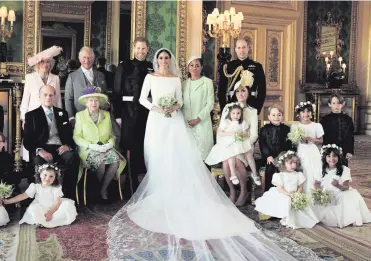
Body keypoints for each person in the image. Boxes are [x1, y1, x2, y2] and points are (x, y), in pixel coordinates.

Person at [106, 48, 321, 261]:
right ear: (157, 60)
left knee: (176, 155)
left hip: (175, 121)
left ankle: (183, 190)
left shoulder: (176, 79)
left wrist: (174, 107)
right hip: (157, 120)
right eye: (161, 58)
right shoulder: (151, 76)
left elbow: (180, 100)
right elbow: (143, 99)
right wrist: (159, 109)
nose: (163, 60)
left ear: (170, 60)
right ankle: (160, 188)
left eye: (166, 58)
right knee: (156, 155)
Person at [113, 37, 154, 198]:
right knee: (130, 148)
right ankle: (131, 186)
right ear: (133, 48)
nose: (141, 51)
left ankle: (145, 184)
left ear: (148, 49)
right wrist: (117, 115)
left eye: (143, 49)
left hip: (146, 113)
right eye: (138, 48)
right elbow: (116, 92)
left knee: (144, 147)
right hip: (128, 112)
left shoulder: (152, 66)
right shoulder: (124, 66)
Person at [23, 85, 79, 201]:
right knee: (38, 161)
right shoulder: (31, 115)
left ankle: (67, 196)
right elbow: (27, 140)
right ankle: (41, 198)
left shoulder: (63, 113)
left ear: (54, 97)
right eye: (45, 94)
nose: (48, 97)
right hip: (43, 149)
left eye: (51, 95)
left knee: (73, 157)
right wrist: (40, 151)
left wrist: (67, 146)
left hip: (60, 149)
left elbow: (69, 136)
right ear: (39, 97)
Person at [73, 88, 126, 204]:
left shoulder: (106, 114)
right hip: (88, 149)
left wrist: (110, 143)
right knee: (101, 163)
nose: (93, 103)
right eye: (91, 101)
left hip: (105, 148)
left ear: (99, 103)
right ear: (87, 103)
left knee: (116, 161)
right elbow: (76, 137)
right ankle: (95, 191)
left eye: (96, 101)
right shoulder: (80, 116)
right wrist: (92, 146)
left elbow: (112, 134)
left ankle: (102, 190)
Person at [221, 70, 260, 206]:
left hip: (245, 148)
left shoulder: (252, 111)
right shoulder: (228, 108)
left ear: (248, 93)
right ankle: (232, 191)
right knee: (226, 161)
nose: (240, 94)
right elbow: (222, 128)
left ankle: (244, 191)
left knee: (237, 160)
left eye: (243, 91)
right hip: (230, 144)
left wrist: (244, 145)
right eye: (237, 92)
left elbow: (254, 134)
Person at [255, 151, 319, 229]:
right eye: (290, 163)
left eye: (295, 163)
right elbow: (281, 189)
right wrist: (289, 195)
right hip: (284, 193)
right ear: (283, 164)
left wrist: (297, 194)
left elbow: (300, 187)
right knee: (287, 200)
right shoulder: (279, 175)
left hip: (295, 193)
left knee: (304, 202)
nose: (294, 165)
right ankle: (286, 217)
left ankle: (298, 218)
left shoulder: (298, 174)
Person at [205, 103, 259, 195]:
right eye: (233, 113)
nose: (236, 116)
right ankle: (233, 176)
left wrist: (240, 134)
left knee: (249, 153)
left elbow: (246, 133)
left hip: (240, 141)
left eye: (238, 113)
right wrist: (232, 134)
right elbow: (220, 133)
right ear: (230, 114)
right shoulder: (226, 122)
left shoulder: (243, 123)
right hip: (229, 143)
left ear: (241, 114)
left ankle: (255, 174)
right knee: (230, 154)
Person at [312, 144, 371, 228]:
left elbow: (346, 187)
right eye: (329, 156)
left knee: (347, 196)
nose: (331, 159)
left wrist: (338, 185)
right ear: (325, 158)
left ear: (339, 157)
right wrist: (319, 194)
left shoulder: (344, 169)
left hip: (339, 193)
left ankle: (346, 216)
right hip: (325, 194)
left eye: (334, 156)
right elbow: (317, 183)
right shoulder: (321, 169)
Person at [21, 45, 63, 162]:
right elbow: (25, 100)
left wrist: (60, 116)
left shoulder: (55, 78)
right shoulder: (30, 77)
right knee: (34, 142)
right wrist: (24, 118)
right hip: (33, 116)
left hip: (51, 114)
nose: (45, 65)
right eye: (43, 62)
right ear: (38, 64)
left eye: (48, 62)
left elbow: (58, 98)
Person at [4, 163, 77, 228]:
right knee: (34, 208)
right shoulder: (35, 186)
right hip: (40, 207)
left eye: (51, 176)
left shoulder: (56, 187)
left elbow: (57, 202)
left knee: (67, 205)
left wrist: (50, 212)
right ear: (40, 175)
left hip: (54, 208)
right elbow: (23, 195)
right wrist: (8, 201)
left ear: (55, 178)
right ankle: (41, 221)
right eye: (45, 175)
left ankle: (48, 220)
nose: (47, 178)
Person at [218, 39, 266, 114]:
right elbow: (221, 90)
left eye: (244, 47)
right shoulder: (228, 67)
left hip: (251, 104)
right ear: (235, 49)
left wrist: (257, 108)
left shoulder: (257, 66)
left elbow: (262, 90)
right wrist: (224, 109)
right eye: (239, 48)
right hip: (232, 105)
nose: (241, 50)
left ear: (248, 48)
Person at [182, 56, 214, 160]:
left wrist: (198, 118)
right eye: (191, 65)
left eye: (197, 66)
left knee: (202, 156)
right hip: (187, 123)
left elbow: (210, 104)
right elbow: (181, 104)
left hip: (202, 122)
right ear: (188, 67)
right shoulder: (184, 84)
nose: (194, 68)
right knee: (188, 156)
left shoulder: (207, 82)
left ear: (201, 67)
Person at [65, 47, 107, 123]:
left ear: (93, 59)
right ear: (79, 58)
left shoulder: (101, 75)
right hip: (80, 119)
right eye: (84, 57)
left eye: (90, 57)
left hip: (100, 118)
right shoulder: (72, 76)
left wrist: (106, 105)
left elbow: (105, 94)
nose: (87, 60)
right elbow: (68, 99)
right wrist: (71, 117)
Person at [259, 104, 293, 190]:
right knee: (271, 167)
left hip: (283, 155)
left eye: (279, 115)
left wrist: (286, 155)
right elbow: (263, 144)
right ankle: (270, 191)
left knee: (285, 167)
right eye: (273, 115)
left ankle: (285, 191)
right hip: (269, 157)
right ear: (269, 117)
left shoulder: (286, 129)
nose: (276, 117)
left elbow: (289, 144)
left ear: (282, 116)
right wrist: (268, 155)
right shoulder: (264, 129)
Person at [292, 101, 323, 193]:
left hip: (313, 151)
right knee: (303, 170)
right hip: (301, 150)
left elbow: (321, 140)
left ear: (311, 113)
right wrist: (299, 139)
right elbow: (293, 142)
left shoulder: (316, 125)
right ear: (299, 114)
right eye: (303, 112)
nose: (306, 114)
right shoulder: (295, 126)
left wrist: (313, 139)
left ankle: (314, 192)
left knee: (313, 171)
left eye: (308, 111)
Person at [320, 94, 354, 166]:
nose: (336, 105)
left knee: (342, 171)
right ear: (329, 104)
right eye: (334, 103)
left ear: (343, 104)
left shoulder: (348, 119)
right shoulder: (325, 120)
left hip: (343, 150)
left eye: (339, 103)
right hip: (329, 151)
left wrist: (349, 151)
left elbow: (350, 136)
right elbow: (323, 137)